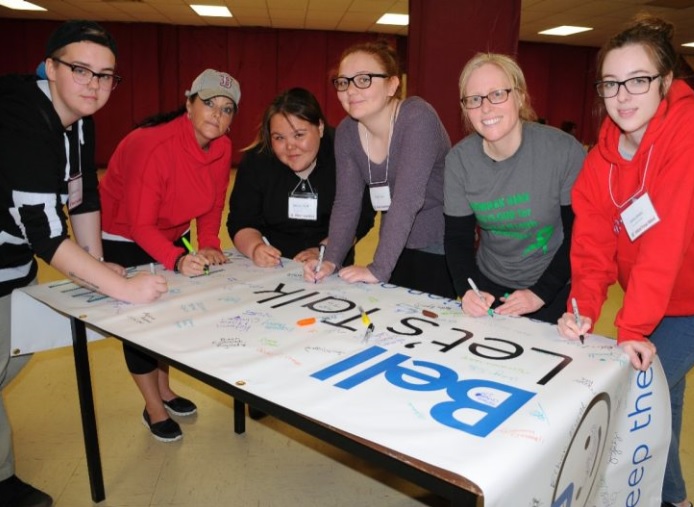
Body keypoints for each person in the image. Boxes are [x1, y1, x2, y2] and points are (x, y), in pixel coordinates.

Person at [556, 16, 694, 507]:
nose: (623, 94)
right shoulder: (600, 162)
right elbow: (592, 248)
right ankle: (674, 500)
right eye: (611, 83)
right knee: (663, 404)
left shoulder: (692, 130)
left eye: (638, 79)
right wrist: (583, 308)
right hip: (651, 304)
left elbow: (666, 241)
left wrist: (630, 328)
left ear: (666, 83)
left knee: (633, 398)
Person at [0, 20, 167, 507]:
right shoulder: (20, 116)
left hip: (11, 260)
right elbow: (45, 233)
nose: (94, 84)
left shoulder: (80, 120)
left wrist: (99, 263)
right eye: (80, 70)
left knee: (17, 350)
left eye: (106, 75)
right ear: (50, 68)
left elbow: (81, 194)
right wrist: (125, 289)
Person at [99, 68, 240, 442]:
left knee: (170, 312)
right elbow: (140, 224)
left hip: (168, 231)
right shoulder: (153, 146)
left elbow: (212, 204)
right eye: (209, 103)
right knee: (143, 321)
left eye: (227, 109)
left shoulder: (222, 147)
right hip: (123, 234)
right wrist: (177, 259)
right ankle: (153, 407)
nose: (217, 114)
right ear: (188, 102)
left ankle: (166, 389)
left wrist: (207, 242)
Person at [303, 41, 454, 299]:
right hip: (394, 239)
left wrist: (379, 268)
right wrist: (332, 259)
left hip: (438, 241)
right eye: (343, 82)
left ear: (392, 85)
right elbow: (347, 203)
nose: (351, 90)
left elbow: (407, 199)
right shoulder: (347, 132)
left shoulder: (418, 117)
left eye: (364, 79)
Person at [445, 53, 586, 323]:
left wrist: (539, 293)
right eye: (474, 99)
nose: (485, 108)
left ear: (520, 96)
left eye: (497, 94)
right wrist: (467, 289)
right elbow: (457, 239)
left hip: (552, 286)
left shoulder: (563, 151)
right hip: (488, 284)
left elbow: (579, 236)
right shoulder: (459, 161)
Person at [227, 87, 375, 269]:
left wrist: (327, 250)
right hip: (271, 267)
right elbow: (241, 220)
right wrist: (255, 248)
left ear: (320, 128)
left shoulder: (345, 153)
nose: (290, 147)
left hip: (331, 262)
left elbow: (363, 214)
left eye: (299, 135)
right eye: (279, 138)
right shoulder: (257, 160)